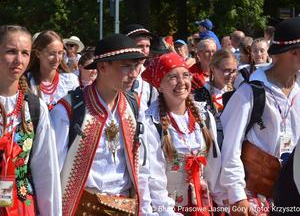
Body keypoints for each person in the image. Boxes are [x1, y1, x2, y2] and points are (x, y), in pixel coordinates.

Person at [50, 33, 147, 215]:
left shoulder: (132, 106)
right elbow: (51, 172)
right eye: (126, 66)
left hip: (126, 207)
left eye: (135, 66)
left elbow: (142, 167)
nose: (134, 73)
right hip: (85, 208)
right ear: (102, 67)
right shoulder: (69, 110)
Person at [220, 17, 300, 215]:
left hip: (293, 193)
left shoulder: (299, 91)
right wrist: (238, 196)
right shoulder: (249, 93)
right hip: (256, 196)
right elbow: (230, 148)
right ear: (295, 52)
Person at [139, 52, 226, 215]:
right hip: (169, 209)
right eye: (172, 77)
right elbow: (154, 178)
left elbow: (214, 168)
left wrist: (223, 204)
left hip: (202, 206)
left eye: (185, 75)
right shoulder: (152, 123)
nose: (181, 82)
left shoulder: (204, 117)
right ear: (159, 85)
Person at [0, 25, 61, 215]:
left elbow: (46, 172)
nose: (18, 60)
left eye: (25, 53)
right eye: (11, 51)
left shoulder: (34, 107)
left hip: (21, 206)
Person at [26, 30, 79, 111]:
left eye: (60, 53)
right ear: (38, 54)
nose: (57, 59)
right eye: (51, 54)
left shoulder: (70, 80)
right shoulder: (27, 81)